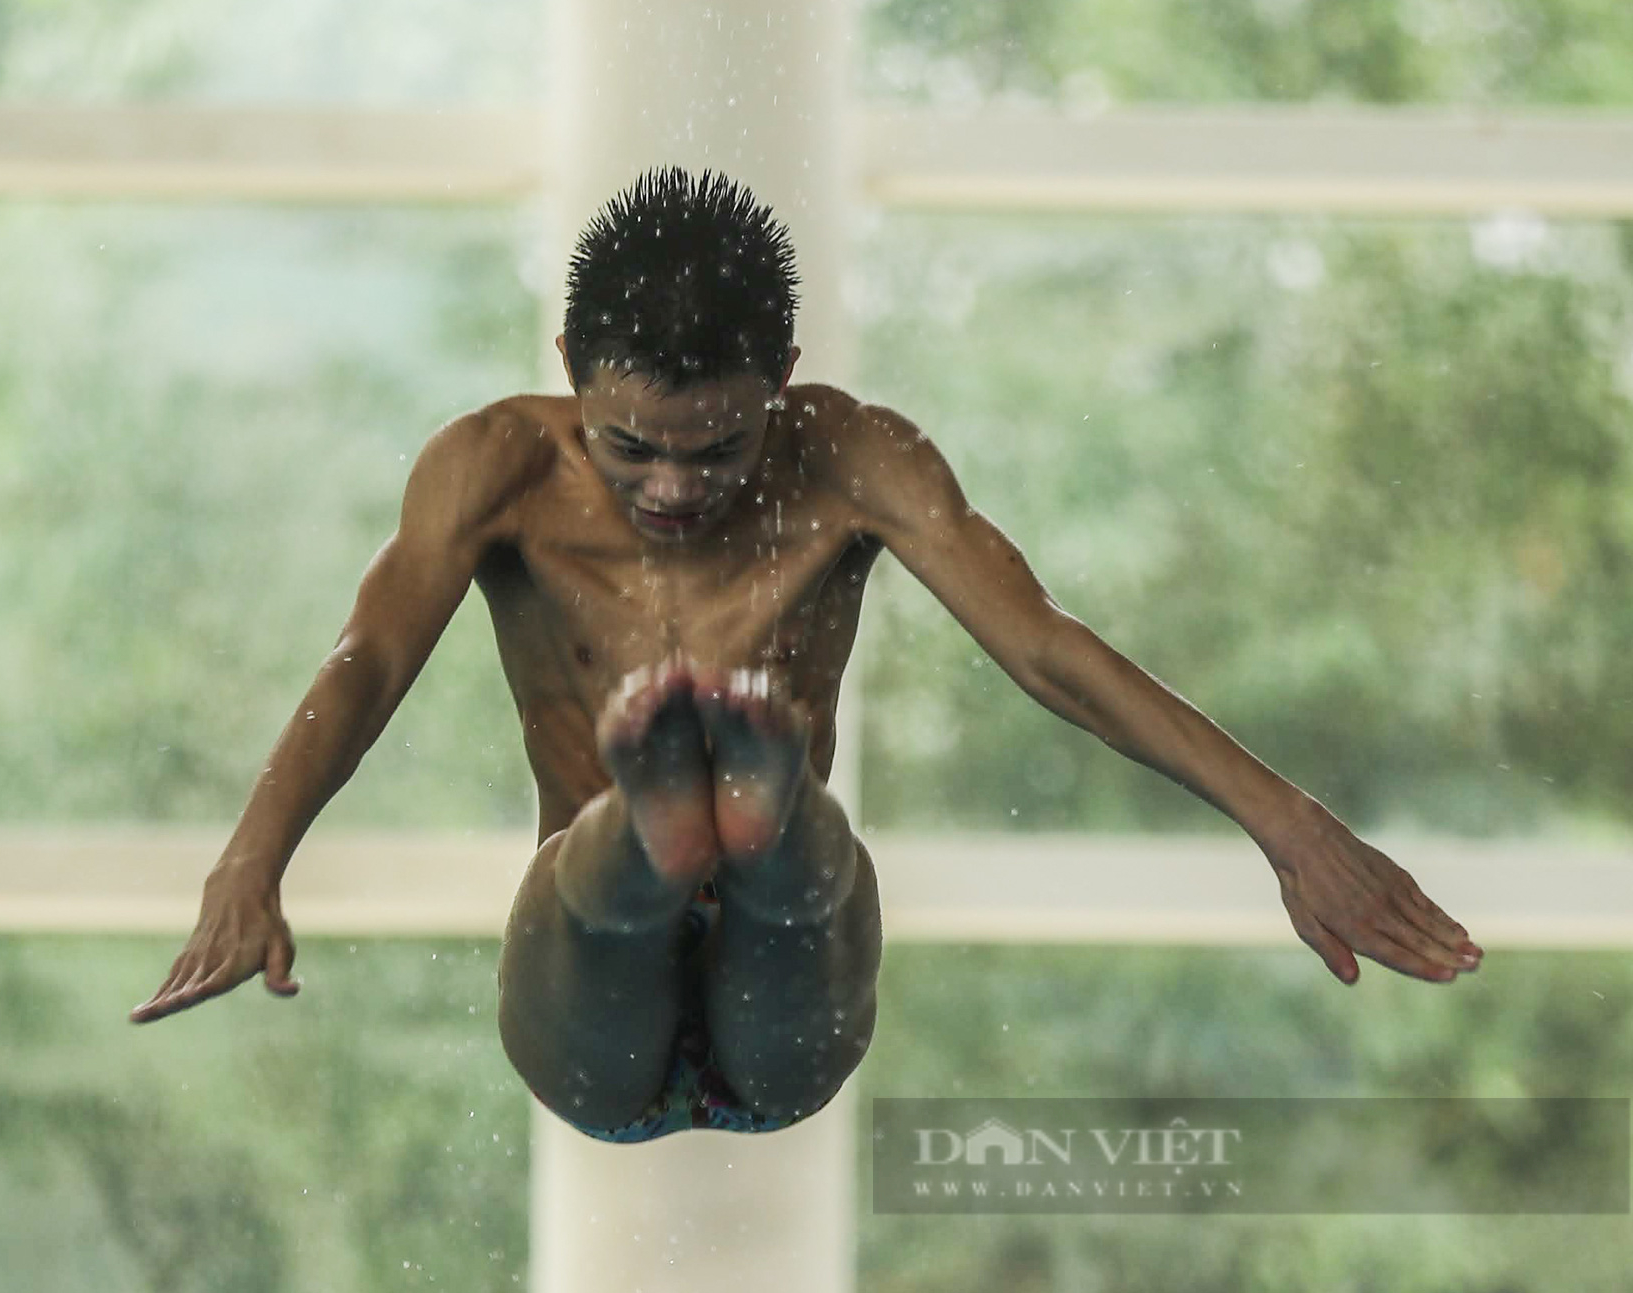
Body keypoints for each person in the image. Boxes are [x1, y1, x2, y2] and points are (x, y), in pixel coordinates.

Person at [131, 167, 1483, 1143]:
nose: (671, 485)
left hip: (789, 1015)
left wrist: (1291, 826)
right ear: (569, 369)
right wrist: (248, 867)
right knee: (599, 887)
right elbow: (366, 660)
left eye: (719, 445)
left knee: (807, 870)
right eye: (629, 443)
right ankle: (665, 820)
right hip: (585, 1003)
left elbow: (1048, 651)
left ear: (781, 371)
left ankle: (740, 811)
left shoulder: (853, 457)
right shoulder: (495, 466)